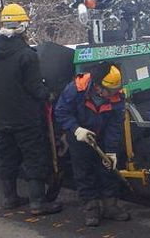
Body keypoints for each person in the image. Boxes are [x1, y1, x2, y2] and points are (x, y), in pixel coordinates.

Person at [0, 3, 61, 215]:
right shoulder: (26, 55)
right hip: (26, 118)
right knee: (34, 156)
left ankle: (10, 198)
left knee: (8, 157)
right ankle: (38, 202)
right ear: (22, 27)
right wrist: (49, 94)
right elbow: (35, 87)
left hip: (3, 117)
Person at [55, 62, 130, 227]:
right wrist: (75, 129)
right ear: (98, 87)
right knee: (83, 170)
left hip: (101, 135)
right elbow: (61, 111)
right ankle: (91, 206)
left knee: (107, 169)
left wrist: (111, 152)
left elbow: (115, 126)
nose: (114, 94)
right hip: (79, 135)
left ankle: (110, 206)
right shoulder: (76, 89)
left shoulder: (117, 96)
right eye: (110, 91)